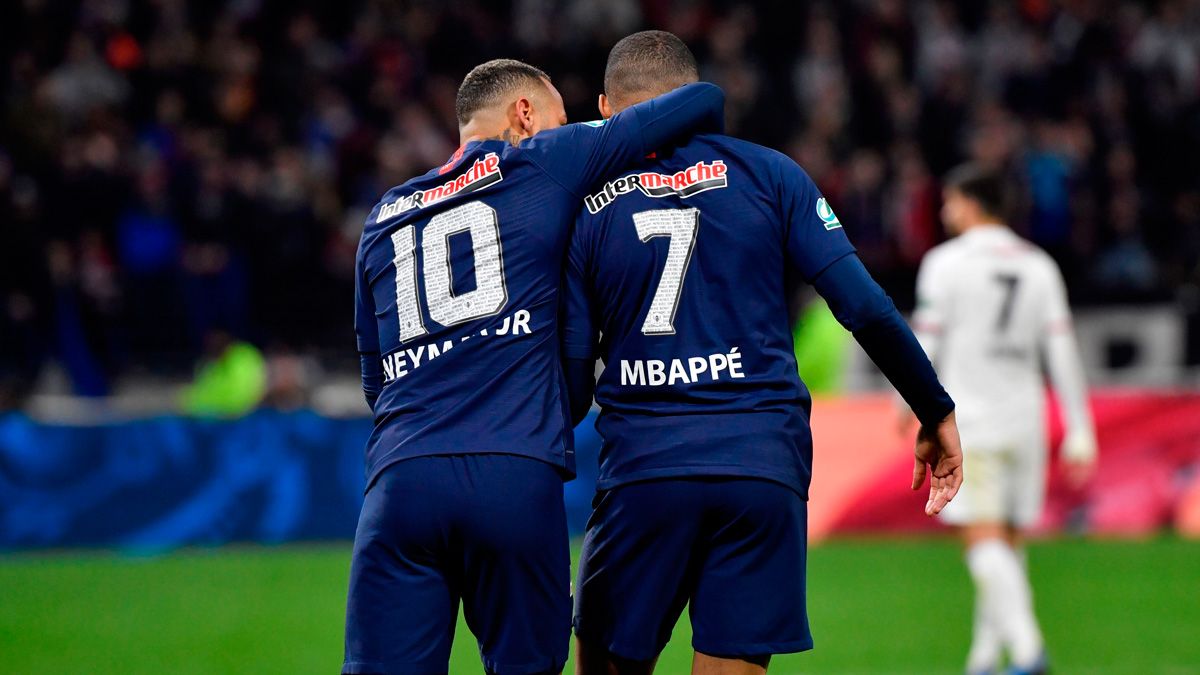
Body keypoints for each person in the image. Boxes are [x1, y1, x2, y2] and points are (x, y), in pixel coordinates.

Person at [560, 31, 963, 675]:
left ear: (608, 109)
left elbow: (574, 378)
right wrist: (932, 406)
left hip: (645, 468)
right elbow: (863, 305)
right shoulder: (772, 173)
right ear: (692, 96)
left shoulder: (584, 206)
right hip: (760, 465)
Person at [345, 59, 724, 675]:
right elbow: (698, 100)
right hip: (512, 475)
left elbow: (373, 376)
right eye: (555, 118)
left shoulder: (385, 213)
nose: (562, 129)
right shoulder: (542, 159)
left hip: (400, 482)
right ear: (524, 115)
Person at [911, 164, 1097, 675]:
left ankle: (1029, 650)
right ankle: (985, 658)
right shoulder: (1038, 265)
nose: (946, 212)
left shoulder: (944, 264)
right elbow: (1060, 349)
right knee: (1008, 544)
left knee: (982, 540)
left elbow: (925, 342)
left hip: (969, 420)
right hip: (1025, 419)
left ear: (972, 204)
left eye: (951, 202)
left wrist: (904, 404)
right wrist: (1081, 427)